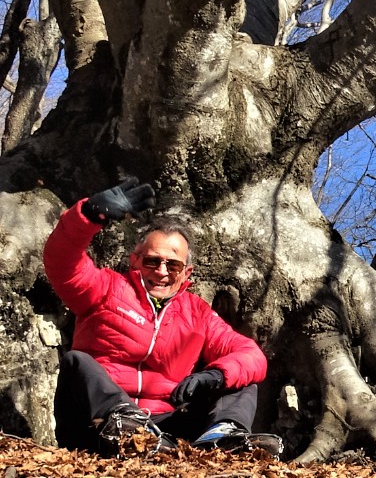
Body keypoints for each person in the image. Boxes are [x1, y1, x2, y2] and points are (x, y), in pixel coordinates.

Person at [45, 178, 267, 455]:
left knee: (238, 377)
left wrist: (214, 376)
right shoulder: (105, 289)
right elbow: (61, 261)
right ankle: (130, 427)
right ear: (135, 261)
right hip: (97, 424)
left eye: (173, 265)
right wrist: (89, 214)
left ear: (186, 272)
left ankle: (223, 440)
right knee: (76, 362)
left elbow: (251, 354)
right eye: (152, 260)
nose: (162, 271)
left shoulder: (197, 313)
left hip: (165, 428)